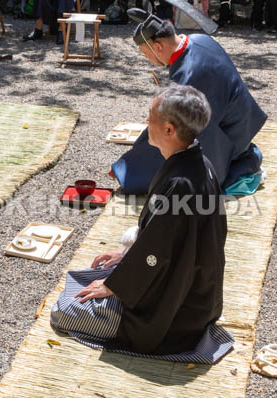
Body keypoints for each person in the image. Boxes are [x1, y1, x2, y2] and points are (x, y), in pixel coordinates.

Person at [52, 85, 232, 363]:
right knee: (89, 275)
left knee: (64, 310)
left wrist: (115, 285)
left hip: (172, 312)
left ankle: (125, 315)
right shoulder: (200, 162)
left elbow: (156, 253)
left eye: (150, 116)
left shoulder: (181, 181)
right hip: (195, 293)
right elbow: (165, 239)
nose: (146, 122)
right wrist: (124, 256)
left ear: (169, 129)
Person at [111, 6, 267, 194]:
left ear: (158, 47)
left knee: (172, 141)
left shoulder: (187, 75)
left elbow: (165, 126)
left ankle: (232, 165)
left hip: (228, 137)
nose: (148, 59)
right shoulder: (201, 39)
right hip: (244, 123)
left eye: (146, 54)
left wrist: (127, 165)